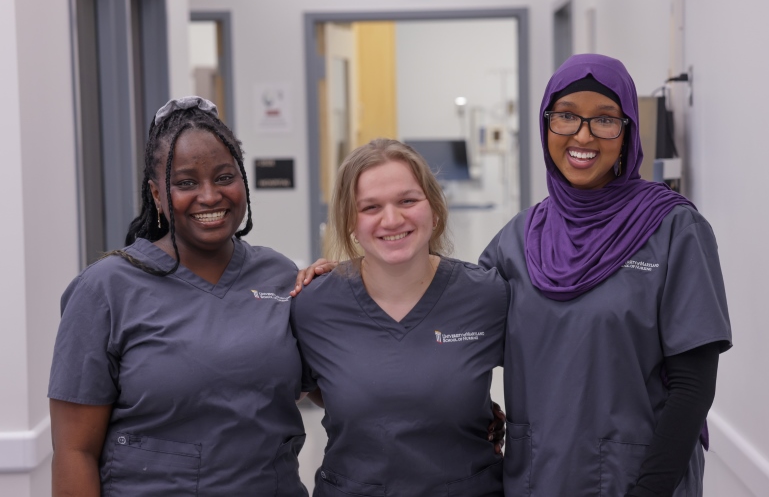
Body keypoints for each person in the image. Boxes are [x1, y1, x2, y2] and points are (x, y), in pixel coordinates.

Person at [480, 54, 732, 496]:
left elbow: (693, 386)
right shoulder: (518, 239)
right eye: (566, 116)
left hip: (637, 481)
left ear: (628, 131)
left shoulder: (673, 229)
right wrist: (344, 277)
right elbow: (447, 324)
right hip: (538, 478)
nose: (583, 135)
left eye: (605, 120)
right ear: (546, 124)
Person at [48, 97, 309, 496]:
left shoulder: (280, 277)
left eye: (224, 177)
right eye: (186, 183)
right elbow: (73, 452)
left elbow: (342, 384)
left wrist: (345, 287)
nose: (209, 196)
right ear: (156, 195)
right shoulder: (105, 290)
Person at [291, 139, 508, 496]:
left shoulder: (487, 296)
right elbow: (307, 386)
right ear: (350, 222)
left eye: (408, 200)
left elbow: (543, 385)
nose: (392, 219)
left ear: (434, 209)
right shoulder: (313, 305)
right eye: (370, 207)